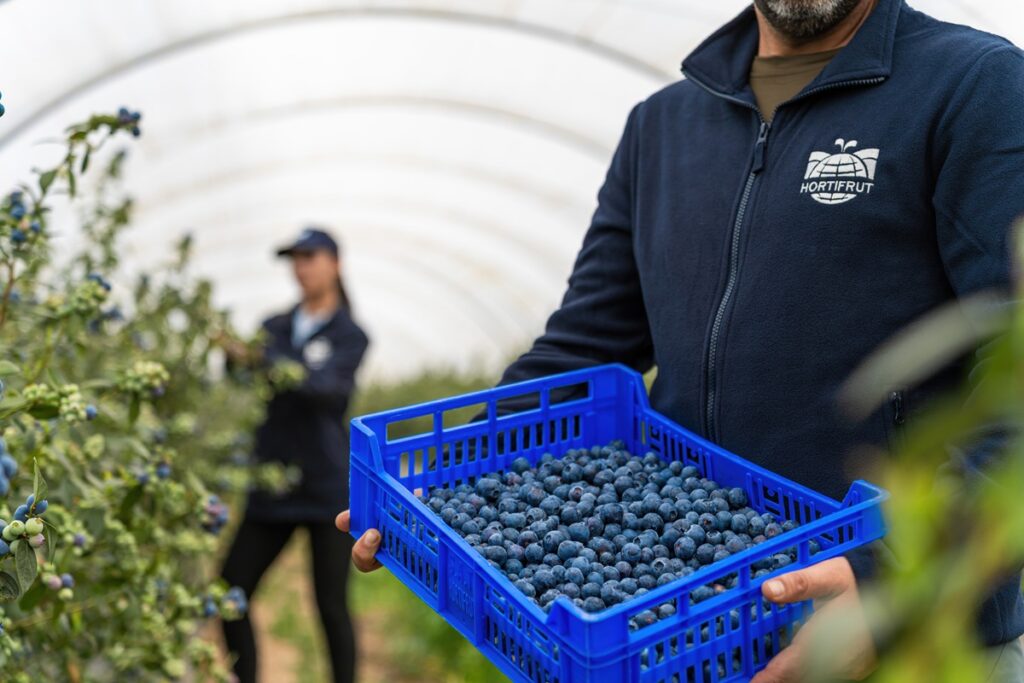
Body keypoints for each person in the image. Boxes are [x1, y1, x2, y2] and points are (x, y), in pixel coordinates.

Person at [337, 0, 1024, 680]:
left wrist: (888, 585)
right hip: (692, 633)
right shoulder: (662, 127)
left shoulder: (972, 85)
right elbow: (584, 347)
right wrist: (440, 491)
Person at [222, 227, 369, 683]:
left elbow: (327, 391)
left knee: (330, 605)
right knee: (230, 592)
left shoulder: (350, 334)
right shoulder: (275, 326)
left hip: (326, 486)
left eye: (310, 256)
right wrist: (233, 357)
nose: (301, 267)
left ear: (335, 264)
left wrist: (265, 362)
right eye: (295, 258)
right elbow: (242, 377)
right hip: (273, 483)